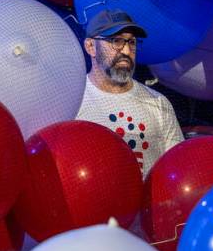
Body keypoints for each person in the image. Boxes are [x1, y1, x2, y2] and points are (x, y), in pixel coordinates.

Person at [75, 9, 183, 175]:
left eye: (131, 42)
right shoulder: (72, 99)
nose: (126, 51)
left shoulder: (157, 103)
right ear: (90, 46)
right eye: (116, 41)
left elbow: (177, 170)